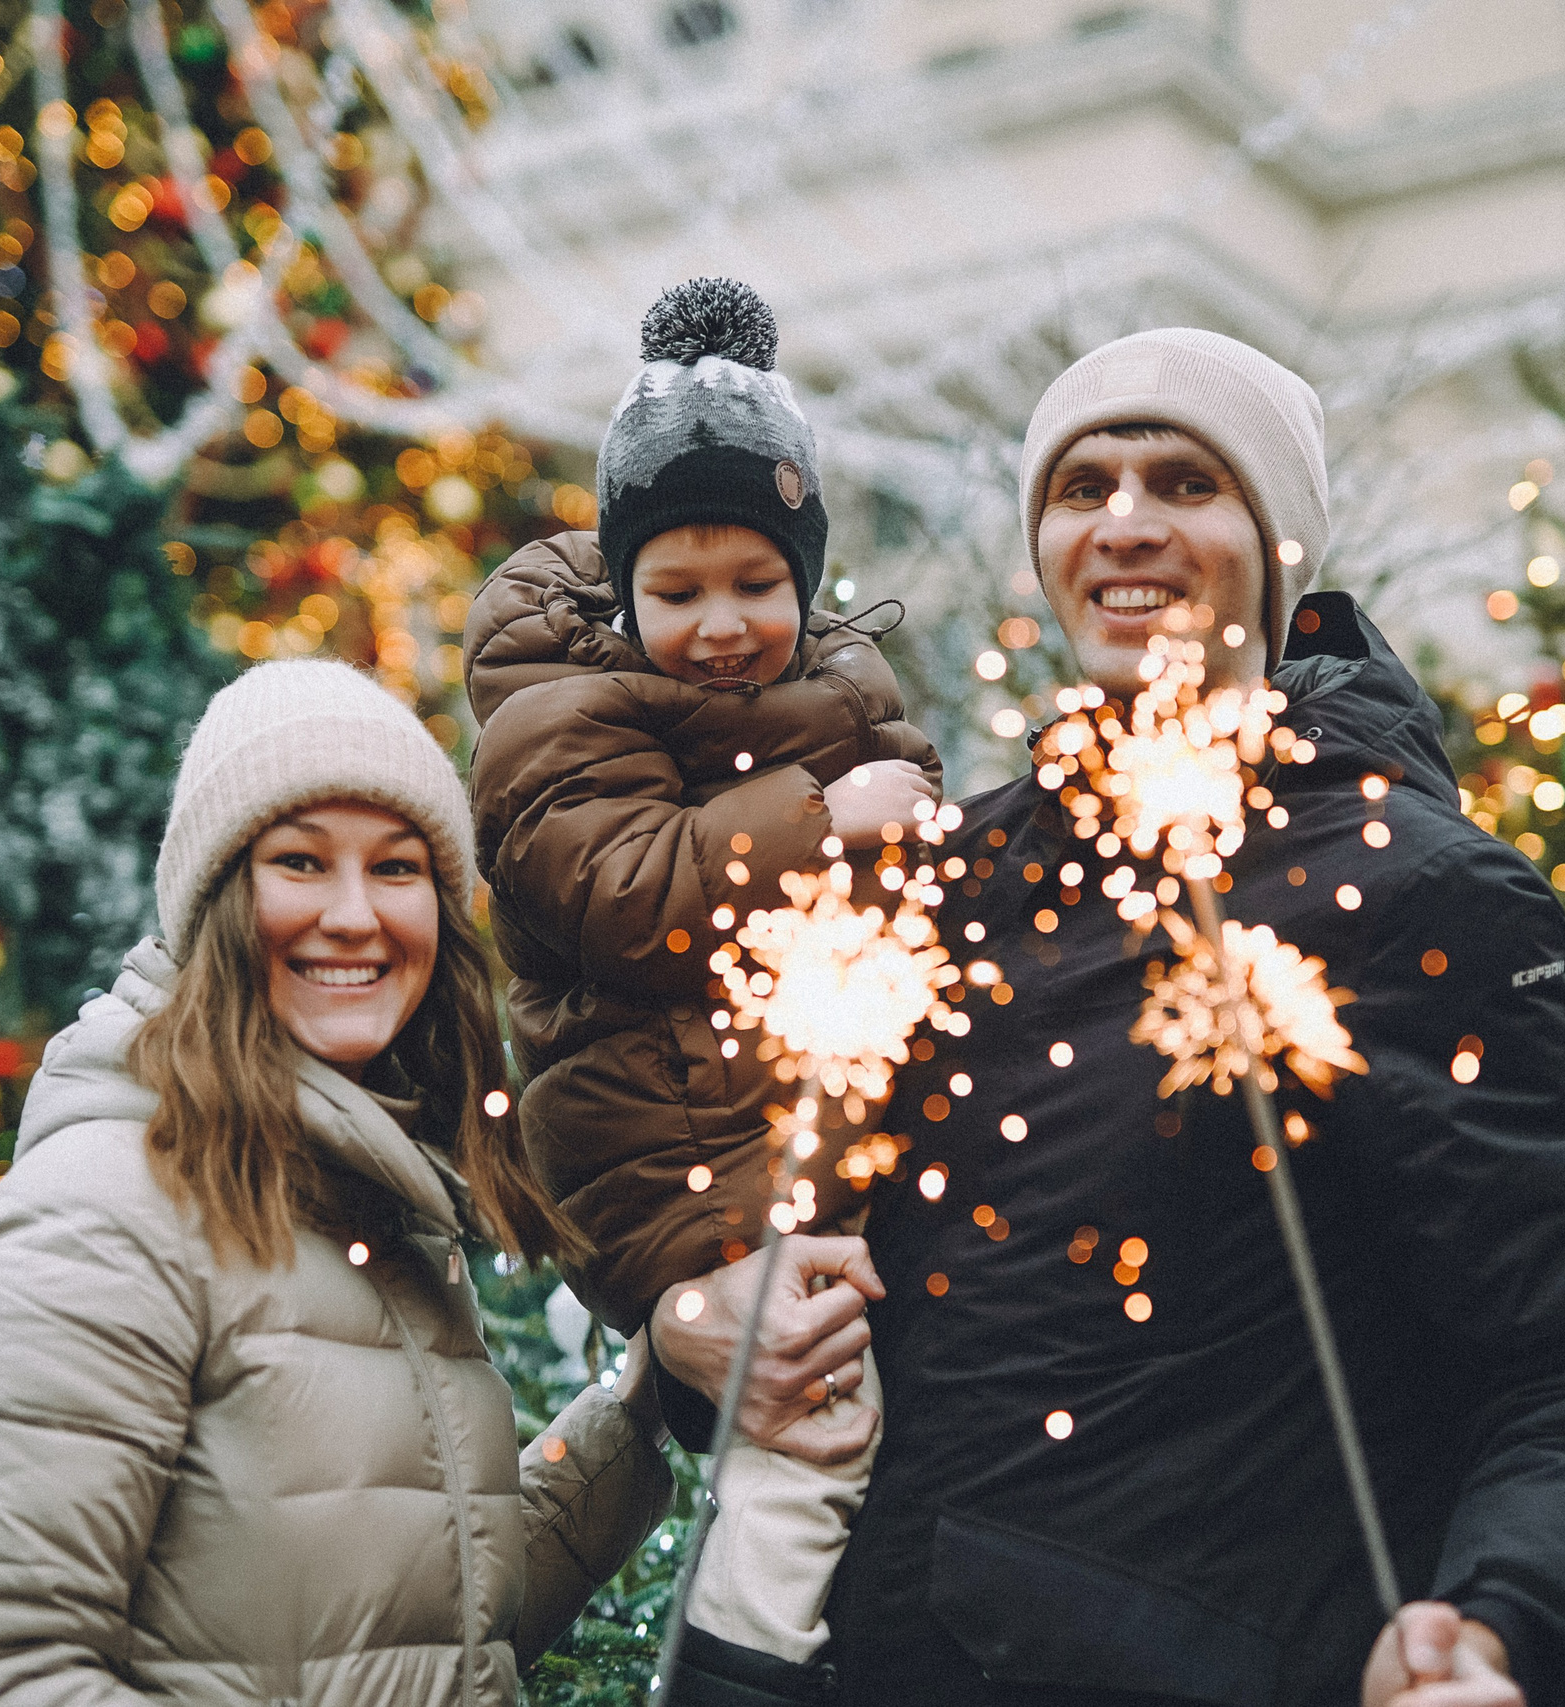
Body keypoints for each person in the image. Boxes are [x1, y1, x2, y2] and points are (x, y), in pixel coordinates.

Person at [657, 330, 1565, 1707]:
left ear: (1279, 546)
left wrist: (1500, 1628)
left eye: (1187, 482)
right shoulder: (945, 878)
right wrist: (697, 1331)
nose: (1125, 521)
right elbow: (808, 1278)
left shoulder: (1418, 890)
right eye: (1082, 487)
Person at [0, 660, 679, 1706]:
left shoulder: (367, 1195)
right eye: (301, 863)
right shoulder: (102, 1214)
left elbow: (417, 1634)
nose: (355, 916)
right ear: (217, 899)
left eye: (398, 870)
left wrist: (640, 1410)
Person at [465, 277, 939, 1707]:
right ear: (621, 588)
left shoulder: (837, 691)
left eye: (757, 584)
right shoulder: (562, 713)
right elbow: (623, 889)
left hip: (800, 1129)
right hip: (675, 1159)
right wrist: (829, 809)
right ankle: (731, 1665)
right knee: (813, 1432)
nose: (723, 624)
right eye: (677, 591)